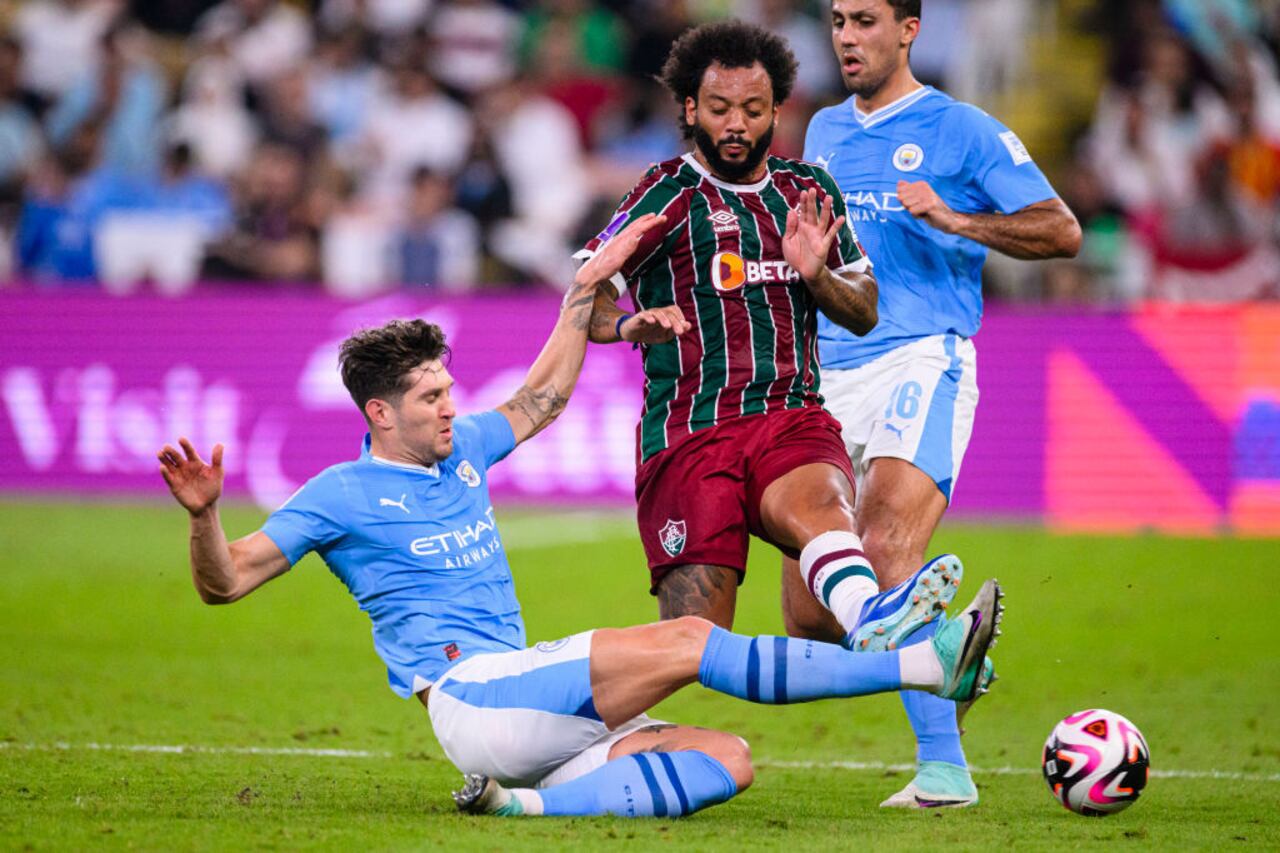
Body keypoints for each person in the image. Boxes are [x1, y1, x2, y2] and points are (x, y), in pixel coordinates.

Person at [157, 211, 1004, 818]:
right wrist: (203, 516)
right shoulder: (337, 493)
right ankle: (925, 664)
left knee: (727, 760)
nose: (452, 407)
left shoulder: (463, 450)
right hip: (473, 695)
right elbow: (226, 581)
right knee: (689, 643)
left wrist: (583, 298)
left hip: (524, 710)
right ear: (380, 414)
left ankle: (518, 807)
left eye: (450, 389)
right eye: (430, 397)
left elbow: (541, 397)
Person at [581, 20, 961, 670]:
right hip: (691, 432)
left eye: (753, 110)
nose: (737, 124)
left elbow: (865, 310)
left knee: (821, 504)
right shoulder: (664, 192)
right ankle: (573, 713)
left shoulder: (807, 193)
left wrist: (816, 273)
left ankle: (873, 615)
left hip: (790, 417)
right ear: (691, 108)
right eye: (722, 108)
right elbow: (586, 297)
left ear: (776, 110)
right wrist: (624, 324)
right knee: (693, 648)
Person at [791, 0, 1082, 809]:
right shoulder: (822, 132)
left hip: (922, 354)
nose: (846, 36)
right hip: (827, 375)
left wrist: (954, 216)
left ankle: (944, 770)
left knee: (884, 552)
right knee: (812, 616)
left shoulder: (963, 130)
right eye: (837, 21)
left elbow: (1062, 231)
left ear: (910, 29)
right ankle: (950, 647)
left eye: (864, 20)